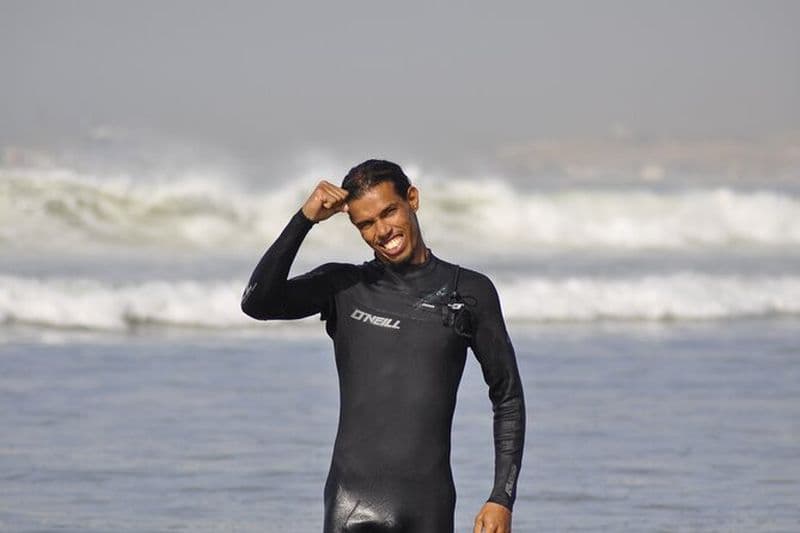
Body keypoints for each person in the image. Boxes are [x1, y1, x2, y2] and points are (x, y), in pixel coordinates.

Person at [241, 159, 526, 533]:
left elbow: (507, 397)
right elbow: (257, 303)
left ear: (412, 199)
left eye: (388, 212)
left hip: (428, 507)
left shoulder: (469, 292)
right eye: (365, 224)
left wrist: (501, 497)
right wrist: (304, 219)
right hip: (350, 504)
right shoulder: (344, 287)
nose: (382, 231)